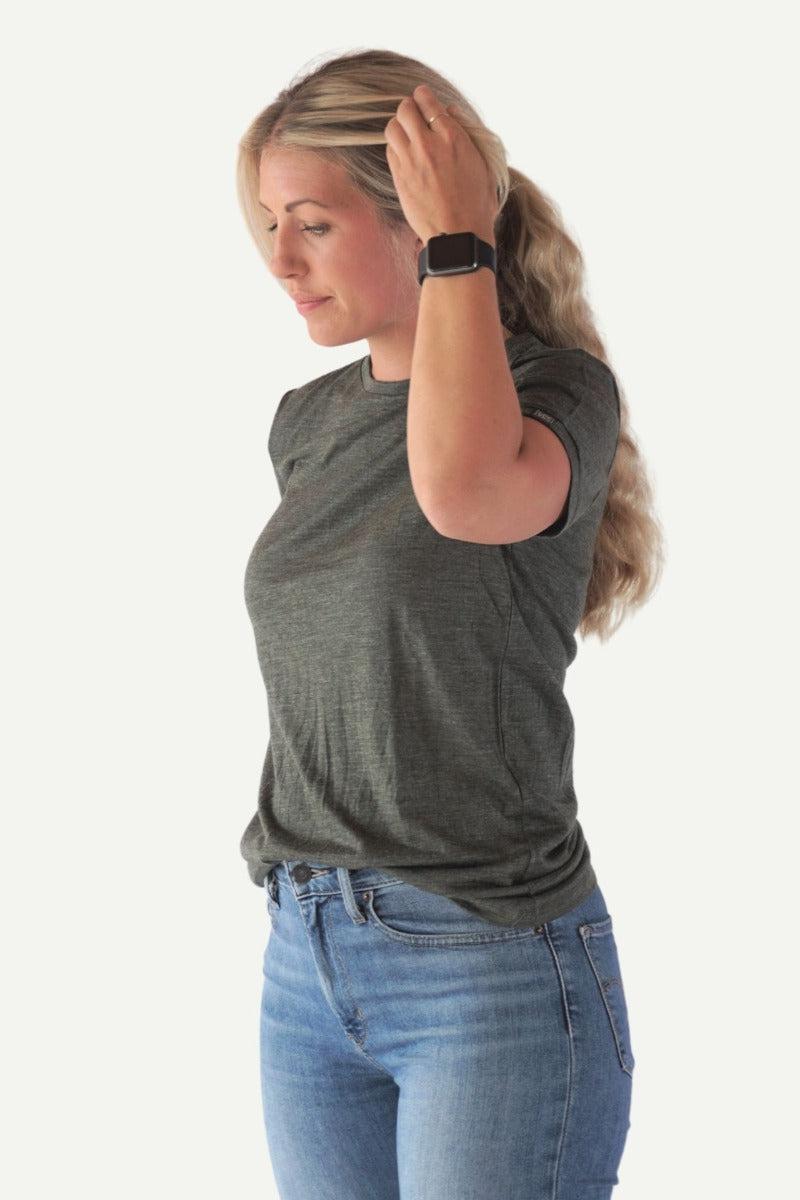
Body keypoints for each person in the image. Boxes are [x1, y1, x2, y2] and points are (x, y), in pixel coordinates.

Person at [235, 48, 663, 1200]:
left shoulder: (554, 396)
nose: (279, 260)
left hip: (488, 965)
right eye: (268, 223)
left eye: (313, 223)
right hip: (305, 957)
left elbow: (463, 493)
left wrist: (457, 245)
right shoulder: (307, 424)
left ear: (416, 215)